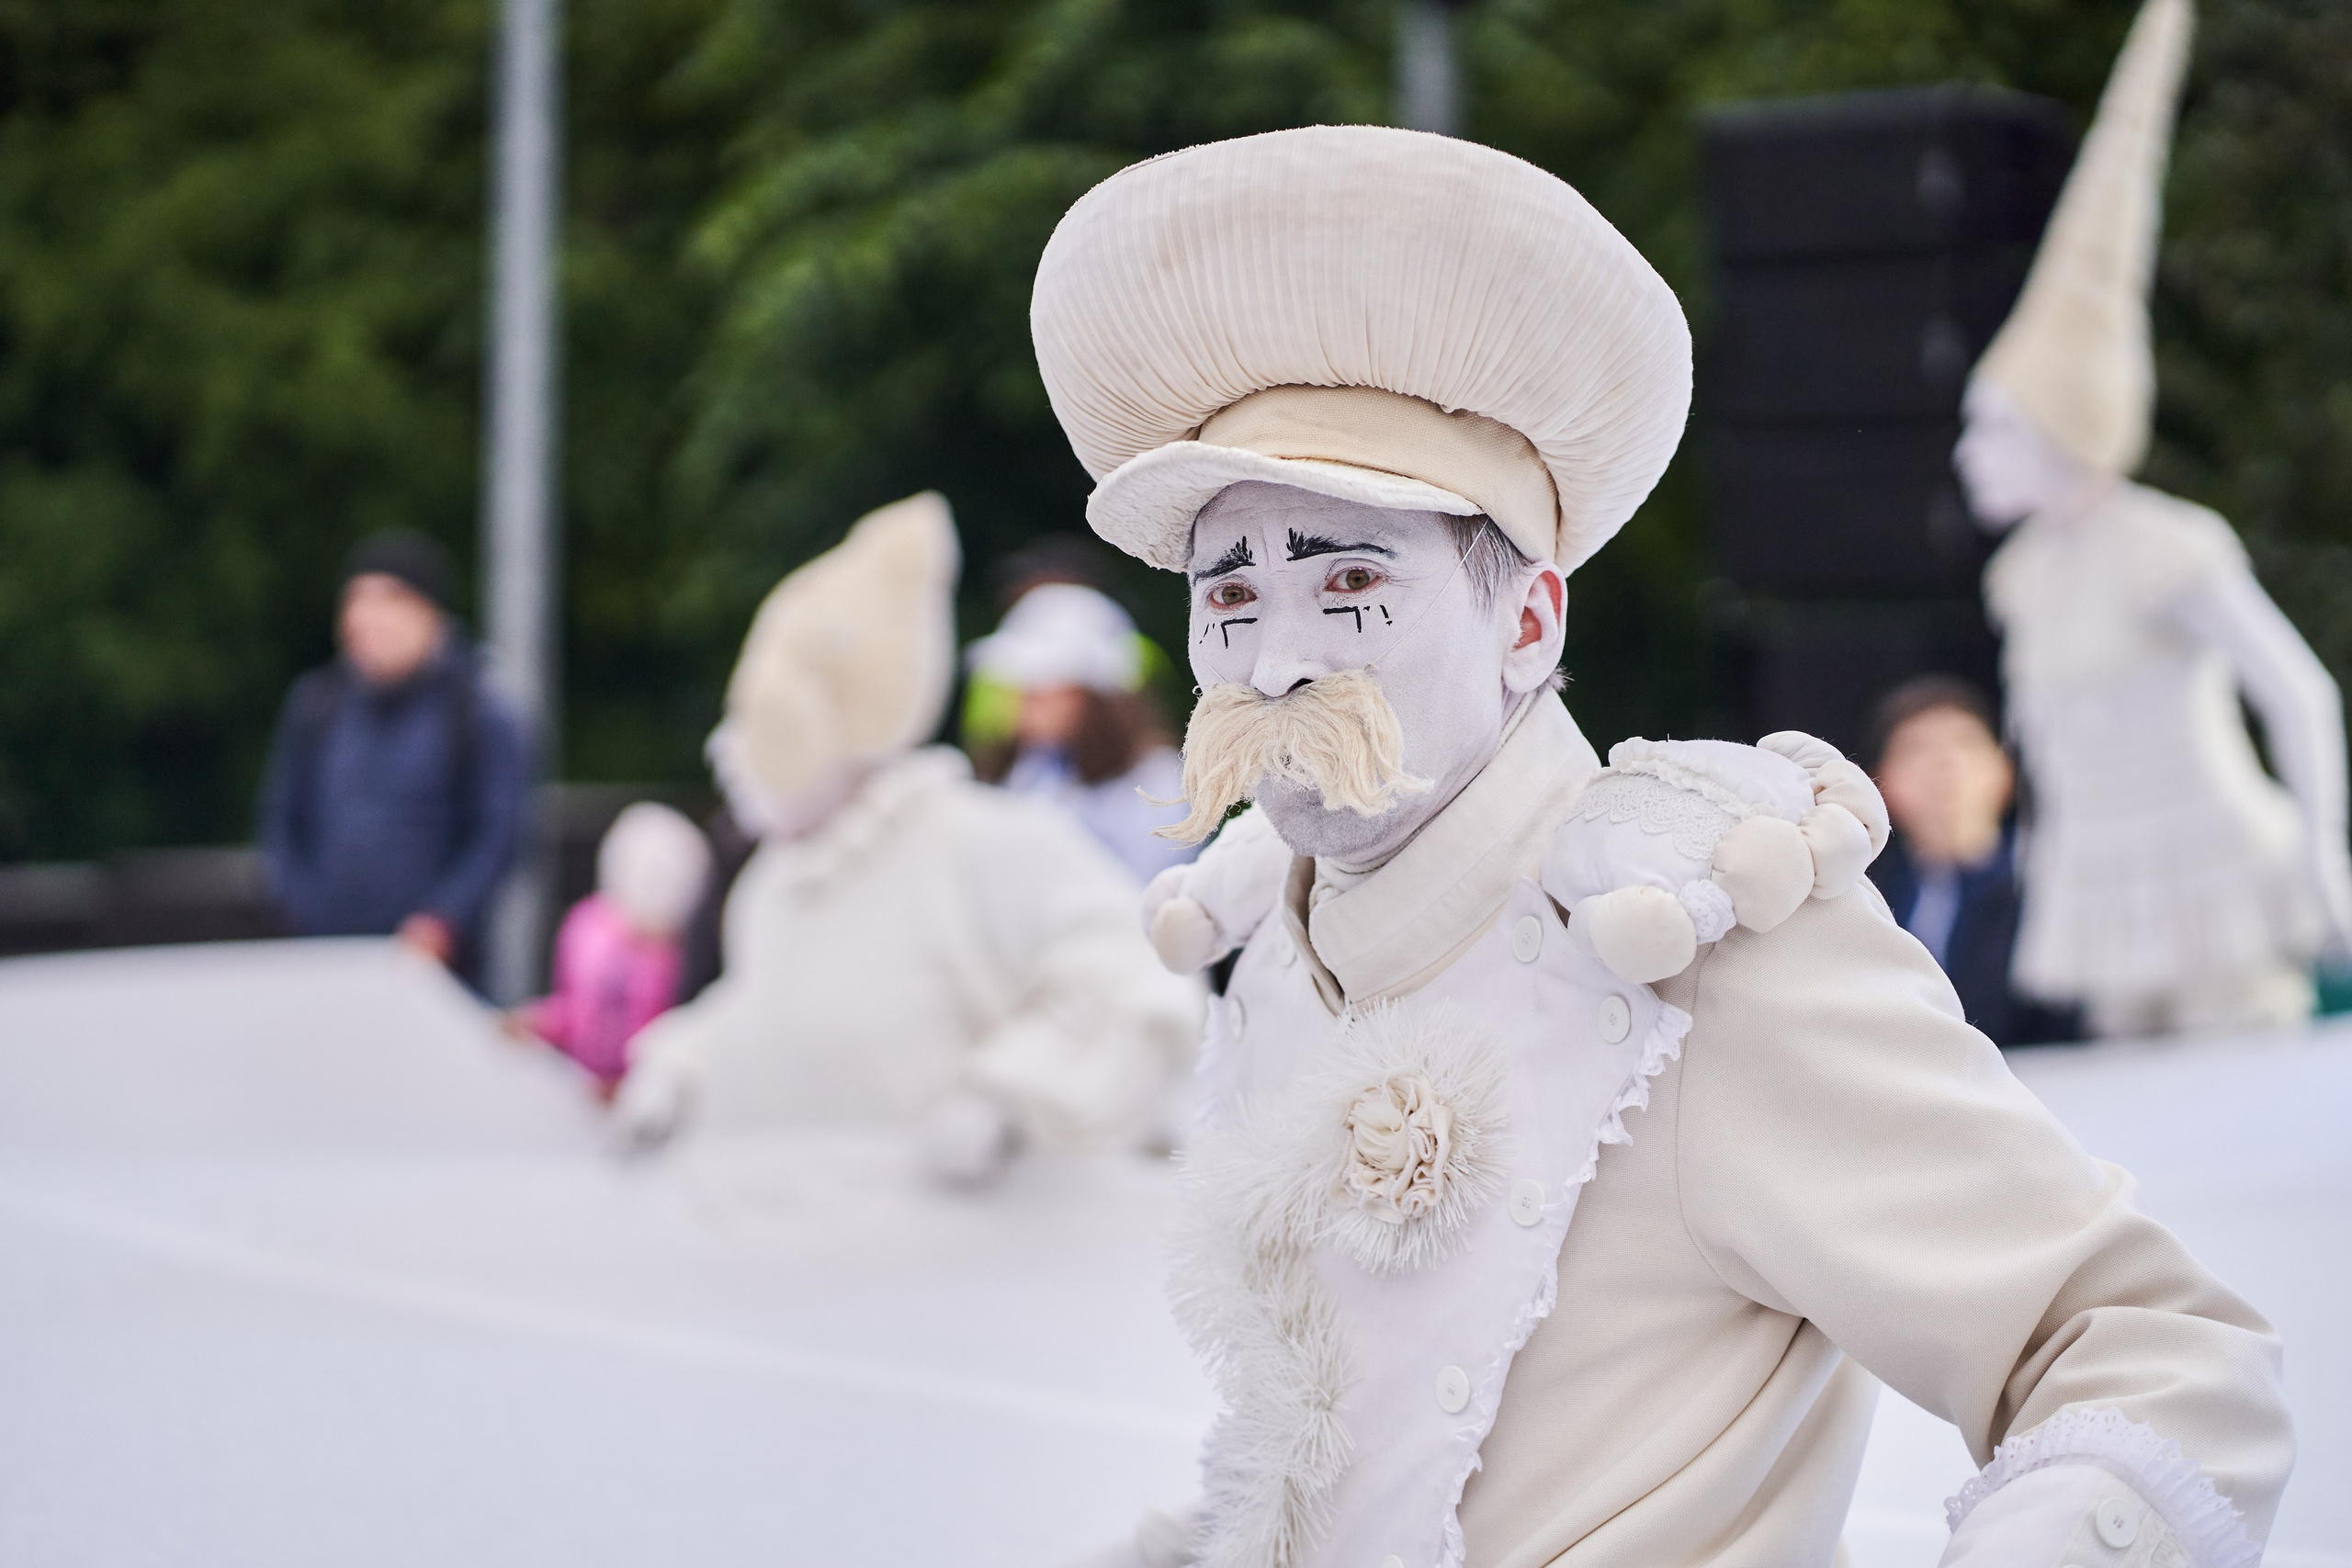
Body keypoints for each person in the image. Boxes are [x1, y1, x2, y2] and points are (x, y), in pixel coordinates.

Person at [1031, 125, 2290, 1568]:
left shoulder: (1696, 941)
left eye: (1352, 579)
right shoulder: (1271, 949)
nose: (1271, 663)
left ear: (1527, 623)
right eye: (1229, 594)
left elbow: (2158, 1352)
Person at [1954, 0, 2352, 1037]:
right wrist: (2038, 858)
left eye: (1995, 428)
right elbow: (2040, 740)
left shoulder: (2170, 546)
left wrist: (2322, 855)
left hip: (2212, 869)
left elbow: (2298, 693)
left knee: (2242, 1076)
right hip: (2100, 888)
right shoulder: (2021, 575)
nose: (1967, 454)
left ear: (2064, 429)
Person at [613, 493, 1203, 1181]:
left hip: (965, 1239)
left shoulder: (984, 839)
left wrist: (1013, 1093)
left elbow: (1129, 977)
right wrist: (681, 1065)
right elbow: (767, 1007)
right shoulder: (774, 881)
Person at [257, 530, 528, 984]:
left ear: (429, 614)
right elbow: (281, 819)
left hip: (440, 978)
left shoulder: (477, 713)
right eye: (356, 600)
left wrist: (442, 921)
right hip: (326, 966)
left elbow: (499, 835)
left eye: (388, 600)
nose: (367, 618)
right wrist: (301, 910)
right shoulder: (316, 705)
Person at [1866, 677, 2076, 1046]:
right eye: (1916, 750)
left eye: (1965, 744)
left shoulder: (2057, 886)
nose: (1943, 765)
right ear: (1880, 785)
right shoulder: (1863, 899)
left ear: (2004, 770)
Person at [967, 581, 1196, 883]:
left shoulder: (1158, 783)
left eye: (1044, 691)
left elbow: (1144, 886)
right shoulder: (1032, 767)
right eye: (1025, 690)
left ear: (1096, 695)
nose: (1026, 705)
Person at [507, 802, 709, 1096]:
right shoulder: (585, 928)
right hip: (578, 1093)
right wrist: (536, 1022)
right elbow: (573, 1009)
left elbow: (670, 1035)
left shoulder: (684, 954)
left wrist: (633, 1082)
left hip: (644, 1097)